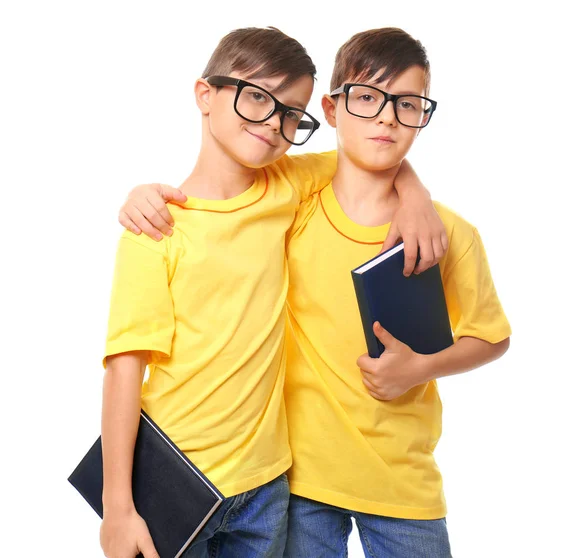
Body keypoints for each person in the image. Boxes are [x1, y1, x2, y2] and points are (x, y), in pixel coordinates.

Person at [101, 27, 444, 558]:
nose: (273, 124)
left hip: (269, 488)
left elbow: (370, 155)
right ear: (204, 94)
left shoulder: (285, 184)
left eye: (291, 114)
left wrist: (415, 193)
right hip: (177, 479)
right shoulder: (156, 230)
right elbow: (124, 370)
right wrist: (118, 507)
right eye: (257, 96)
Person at [280, 28, 512, 557]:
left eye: (407, 104)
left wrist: (421, 368)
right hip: (301, 480)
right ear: (332, 110)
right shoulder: (294, 199)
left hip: (403, 481)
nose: (387, 117)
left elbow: (492, 338)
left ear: (422, 117)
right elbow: (226, 186)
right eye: (367, 98)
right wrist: (147, 193)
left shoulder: (448, 233)